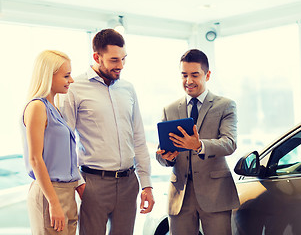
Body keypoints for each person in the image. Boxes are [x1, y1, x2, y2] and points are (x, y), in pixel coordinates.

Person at [60, 28, 154, 235]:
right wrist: (80, 183)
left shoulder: (128, 89)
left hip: (129, 183)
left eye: (123, 59)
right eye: (114, 60)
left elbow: (138, 137)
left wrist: (146, 184)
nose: (120, 66)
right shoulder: (74, 88)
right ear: (97, 57)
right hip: (94, 182)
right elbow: (66, 141)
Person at [156, 49, 240, 235]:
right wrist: (166, 157)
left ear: (207, 75)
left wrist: (198, 145)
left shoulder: (225, 105)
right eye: (184, 75)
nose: (189, 81)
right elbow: (161, 154)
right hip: (180, 195)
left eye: (195, 75)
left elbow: (229, 143)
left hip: (215, 194)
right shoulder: (169, 109)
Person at [21, 50, 81, 235]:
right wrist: (54, 203)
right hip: (50, 193)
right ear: (49, 75)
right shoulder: (37, 107)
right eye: (66, 75)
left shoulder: (55, 108)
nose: (71, 80)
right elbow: (35, 159)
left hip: (66, 192)